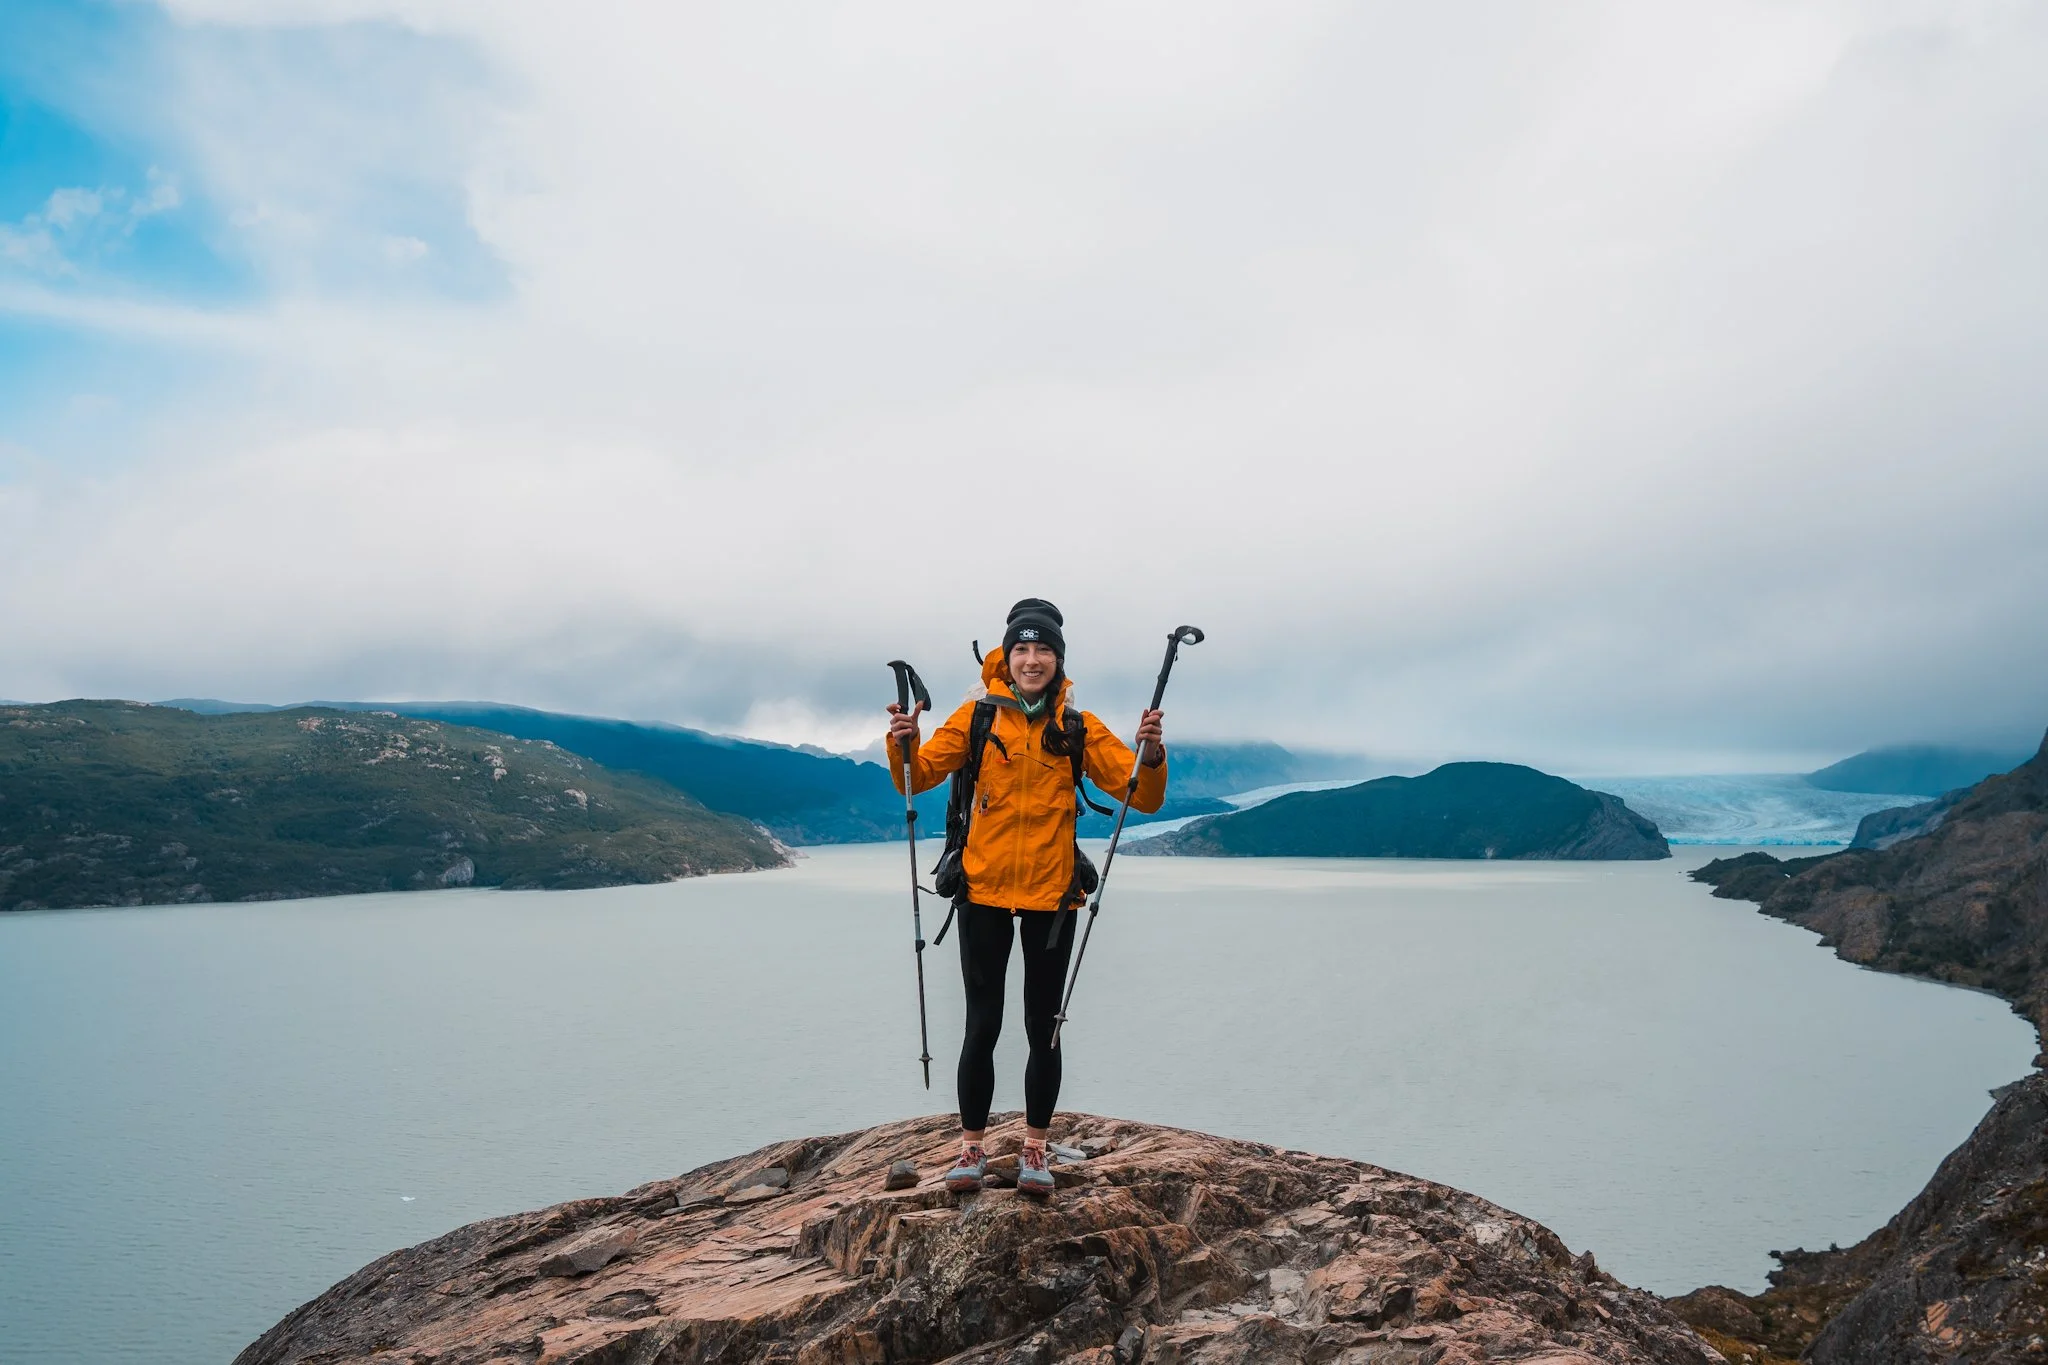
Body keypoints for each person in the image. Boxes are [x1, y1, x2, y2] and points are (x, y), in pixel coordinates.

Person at [885, 598, 1167, 1198]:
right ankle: (971, 1150)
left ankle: (1035, 1151)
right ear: (1006, 657)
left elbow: (1141, 797)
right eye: (1022, 649)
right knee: (981, 1025)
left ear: (1058, 661)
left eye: (1043, 651)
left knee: (1045, 1028)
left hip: (1051, 895)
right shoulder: (978, 717)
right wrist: (904, 741)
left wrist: (1153, 754)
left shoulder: (1077, 726)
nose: (1032, 660)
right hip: (983, 889)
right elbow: (921, 773)